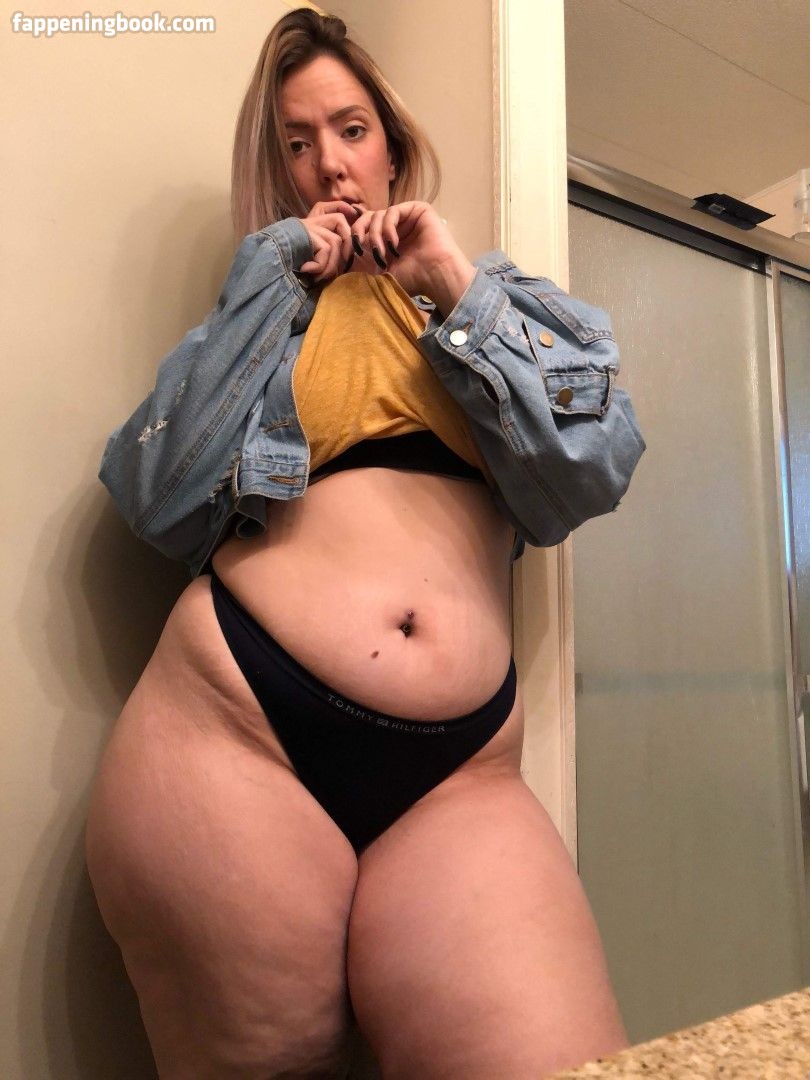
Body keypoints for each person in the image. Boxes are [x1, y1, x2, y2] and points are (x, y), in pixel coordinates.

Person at [85, 6, 645, 1078]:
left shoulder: (495, 298)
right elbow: (156, 499)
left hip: (459, 773)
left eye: (349, 129)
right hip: (232, 734)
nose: (330, 165)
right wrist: (273, 274)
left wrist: (455, 283)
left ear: (391, 143)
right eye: (297, 144)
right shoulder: (264, 316)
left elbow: (594, 463)